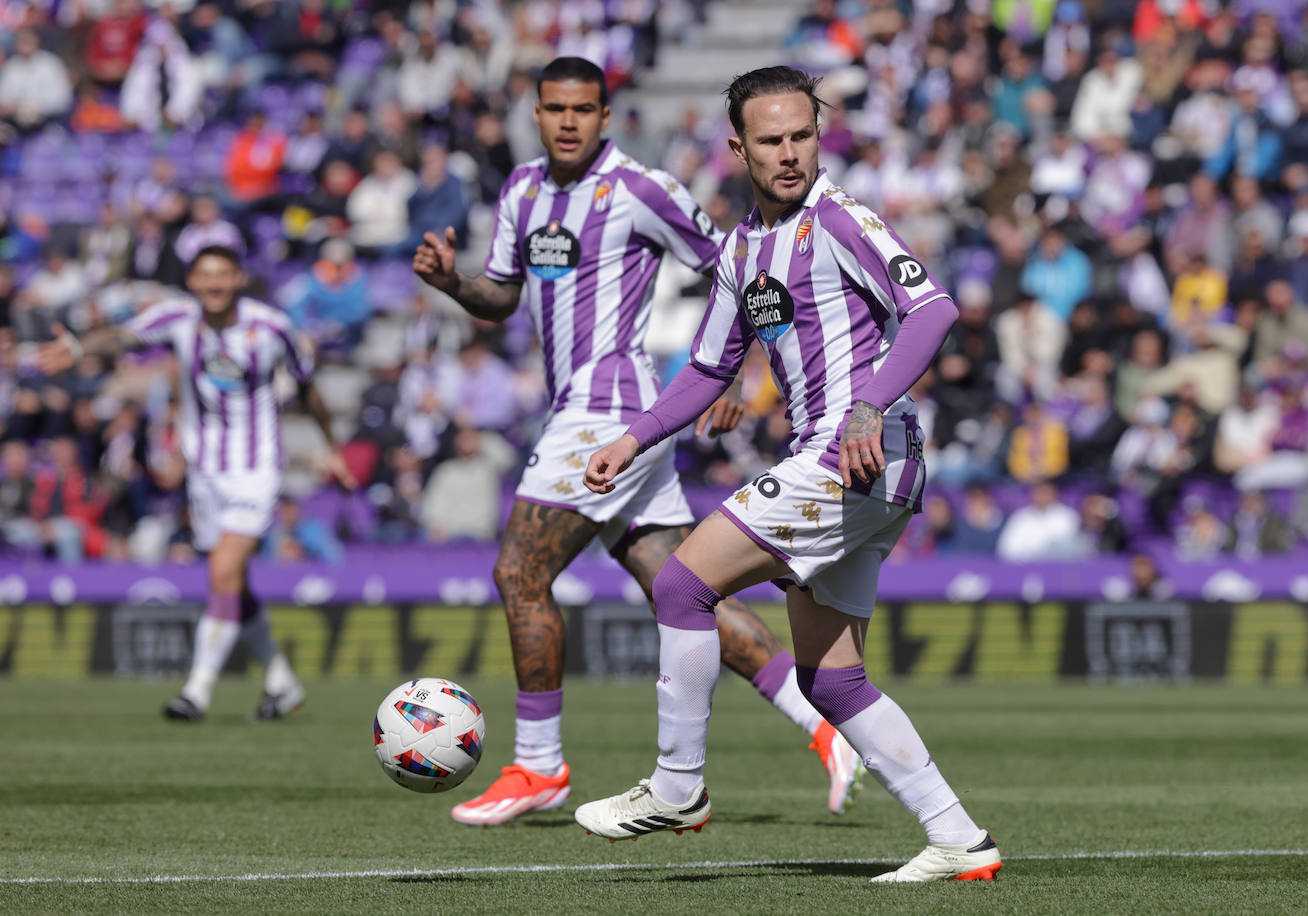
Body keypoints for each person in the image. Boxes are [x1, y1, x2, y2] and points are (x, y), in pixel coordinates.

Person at [576, 66, 999, 884]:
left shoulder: (839, 218)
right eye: (771, 140)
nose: (790, 154)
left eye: (802, 135)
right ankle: (959, 838)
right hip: (857, 469)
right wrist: (633, 440)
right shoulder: (741, 250)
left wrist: (870, 405)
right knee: (832, 679)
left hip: (859, 455)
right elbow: (708, 369)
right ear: (738, 147)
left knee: (680, 584)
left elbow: (933, 308)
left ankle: (677, 786)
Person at [412, 58, 860, 827]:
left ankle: (539, 765)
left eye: (583, 109)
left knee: (519, 572)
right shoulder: (521, 191)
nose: (568, 122)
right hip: (580, 414)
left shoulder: (639, 189)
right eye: (554, 108)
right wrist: (455, 284)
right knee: (679, 586)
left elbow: (740, 267)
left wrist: (733, 372)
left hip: (612, 411)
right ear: (537, 113)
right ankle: (823, 726)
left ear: (607, 116)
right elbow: (502, 296)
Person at [37, 246, 354, 722]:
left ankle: (196, 691)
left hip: (257, 468)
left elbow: (307, 388)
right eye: (205, 276)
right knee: (233, 581)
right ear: (191, 280)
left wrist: (332, 447)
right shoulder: (179, 319)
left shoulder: (270, 327)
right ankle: (281, 682)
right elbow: (123, 335)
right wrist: (80, 346)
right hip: (204, 473)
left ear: (239, 278)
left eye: (223, 275)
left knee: (223, 570)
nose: (214, 285)